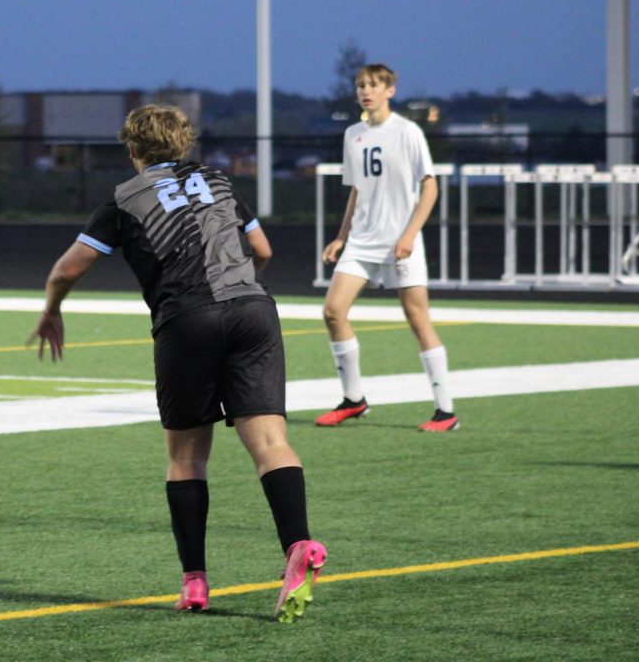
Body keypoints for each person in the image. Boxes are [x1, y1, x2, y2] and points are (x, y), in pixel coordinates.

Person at [30, 104, 326, 622]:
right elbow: (262, 247)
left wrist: (52, 308)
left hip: (187, 320)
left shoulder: (125, 197)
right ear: (185, 144)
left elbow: (70, 265)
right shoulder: (219, 182)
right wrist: (239, 285)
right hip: (253, 311)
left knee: (187, 457)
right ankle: (297, 544)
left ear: (132, 149)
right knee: (272, 443)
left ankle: (195, 583)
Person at [316, 64, 457, 432]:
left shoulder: (408, 132)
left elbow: (430, 187)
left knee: (417, 321)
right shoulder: (354, 135)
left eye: (374, 85)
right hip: (362, 241)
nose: (366, 90)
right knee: (333, 311)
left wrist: (409, 235)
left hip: (400, 242)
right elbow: (357, 190)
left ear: (390, 91)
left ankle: (445, 411)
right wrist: (341, 236)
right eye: (361, 85)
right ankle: (354, 400)